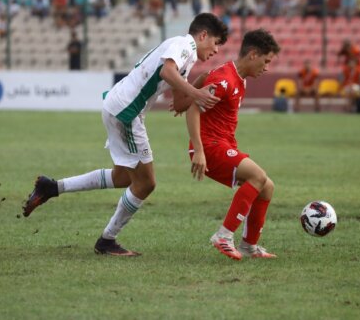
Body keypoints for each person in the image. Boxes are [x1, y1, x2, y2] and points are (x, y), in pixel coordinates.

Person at [22, 13, 229, 256]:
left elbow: (179, 103)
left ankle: (51, 187)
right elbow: (167, 72)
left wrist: (200, 84)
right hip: (127, 112)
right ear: (203, 35)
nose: (216, 50)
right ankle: (107, 240)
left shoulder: (186, 56)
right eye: (216, 42)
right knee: (146, 183)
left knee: (122, 177)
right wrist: (196, 93)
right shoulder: (185, 45)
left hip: (120, 106)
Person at [185, 29, 281, 260]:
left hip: (222, 144)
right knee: (258, 176)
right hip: (208, 147)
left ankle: (249, 246)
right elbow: (193, 109)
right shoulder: (225, 79)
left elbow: (203, 85)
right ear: (253, 55)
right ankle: (223, 236)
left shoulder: (238, 78)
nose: (266, 68)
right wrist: (199, 150)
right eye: (266, 61)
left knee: (267, 186)